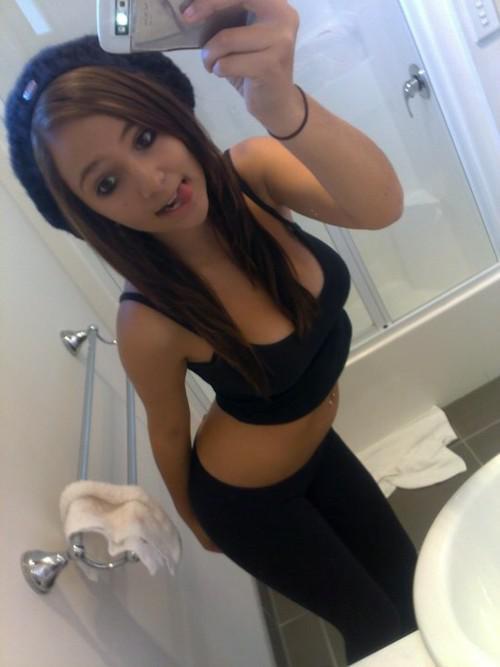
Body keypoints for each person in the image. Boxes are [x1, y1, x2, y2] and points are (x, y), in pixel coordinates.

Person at [5, 1, 417, 662]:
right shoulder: (148, 319)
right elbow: (168, 429)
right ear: (87, 215)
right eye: (106, 183)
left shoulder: (253, 173)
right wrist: (197, 522)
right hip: (250, 504)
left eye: (145, 137)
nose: (151, 181)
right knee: (379, 628)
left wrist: (282, 104)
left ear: (172, 112)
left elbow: (381, 207)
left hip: (318, 447)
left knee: (409, 578)